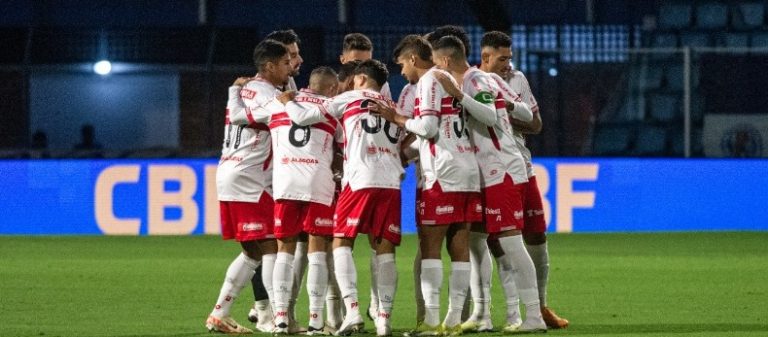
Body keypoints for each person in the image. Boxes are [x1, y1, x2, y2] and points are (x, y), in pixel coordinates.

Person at [373, 35, 499, 336]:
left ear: (414, 59)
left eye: (402, 64)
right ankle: (453, 319)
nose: (402, 71)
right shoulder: (447, 77)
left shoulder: (429, 80)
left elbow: (428, 128)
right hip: (467, 170)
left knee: (430, 246)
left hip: (442, 173)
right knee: (459, 246)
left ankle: (431, 321)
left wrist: (399, 119)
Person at [287, 59, 404, 337]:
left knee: (341, 242)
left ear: (361, 78)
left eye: (353, 79)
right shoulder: (393, 107)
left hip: (360, 179)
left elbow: (303, 118)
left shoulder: (350, 97)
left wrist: (287, 100)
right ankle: (384, 320)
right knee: (384, 250)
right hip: (391, 183)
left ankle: (352, 311)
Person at [480, 30, 569, 330]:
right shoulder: (471, 82)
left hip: (523, 167)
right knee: (501, 243)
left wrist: (504, 115)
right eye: (503, 59)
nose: (508, 64)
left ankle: (541, 307)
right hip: (490, 172)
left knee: (537, 238)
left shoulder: (517, 80)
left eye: (510, 58)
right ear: (486, 57)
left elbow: (536, 123)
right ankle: (512, 312)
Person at [205, 39, 295, 334]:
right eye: (286, 62)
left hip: (233, 172)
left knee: (252, 253)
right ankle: (273, 317)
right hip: (249, 177)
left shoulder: (247, 89)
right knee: (271, 247)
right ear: (269, 66)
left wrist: (233, 91)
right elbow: (259, 117)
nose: (290, 66)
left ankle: (220, 314)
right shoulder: (266, 93)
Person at [269, 66, 341, 335]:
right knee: (317, 252)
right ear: (332, 88)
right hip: (318, 184)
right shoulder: (332, 107)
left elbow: (248, 117)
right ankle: (315, 320)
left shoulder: (279, 105)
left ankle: (281, 319)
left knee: (284, 251)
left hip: (285, 183)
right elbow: (344, 145)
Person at [247, 29, 307, 333]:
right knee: (270, 245)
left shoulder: (286, 84)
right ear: (274, 61)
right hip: (261, 178)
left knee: (274, 246)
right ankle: (268, 309)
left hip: (280, 176)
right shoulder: (263, 90)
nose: (297, 60)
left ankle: (271, 308)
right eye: (291, 56)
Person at [339, 33, 392, 100]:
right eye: (357, 62)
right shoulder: (331, 84)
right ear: (343, 60)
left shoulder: (381, 84)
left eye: (367, 63)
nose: (363, 67)